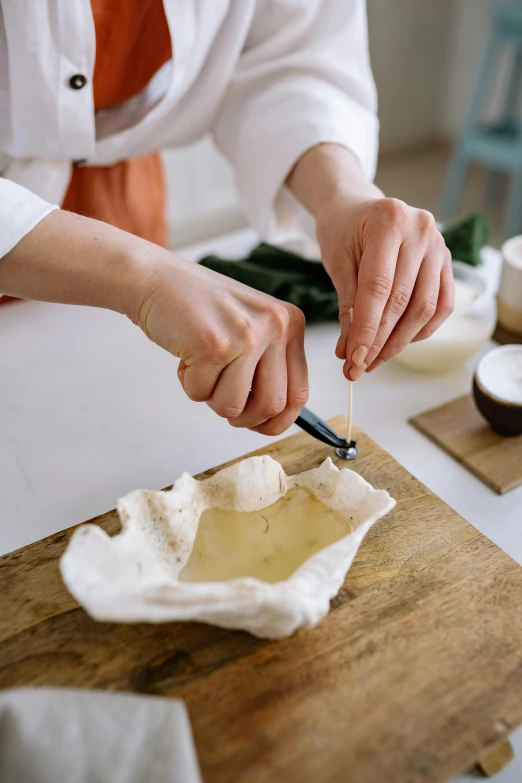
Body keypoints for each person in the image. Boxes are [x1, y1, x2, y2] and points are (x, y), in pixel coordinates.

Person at [0, 0, 453, 437]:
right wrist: (144, 277)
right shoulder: (142, 273)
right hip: (65, 234)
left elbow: (288, 53)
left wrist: (340, 193)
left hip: (120, 206)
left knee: (97, 407)